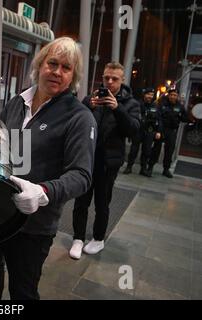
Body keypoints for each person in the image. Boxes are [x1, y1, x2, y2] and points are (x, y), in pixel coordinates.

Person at [0, 37, 97, 300]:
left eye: (66, 68)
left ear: (73, 76)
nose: (57, 72)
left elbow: (81, 176)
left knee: (23, 290)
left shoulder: (79, 116)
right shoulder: (17, 102)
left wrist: (43, 191)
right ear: (39, 65)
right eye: (52, 63)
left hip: (34, 226)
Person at [69, 62, 140, 260]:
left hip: (109, 163)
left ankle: (99, 238)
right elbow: (74, 120)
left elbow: (134, 131)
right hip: (86, 159)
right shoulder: (92, 98)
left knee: (102, 202)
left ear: (122, 80)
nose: (109, 82)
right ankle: (78, 238)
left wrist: (118, 109)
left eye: (114, 78)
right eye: (106, 77)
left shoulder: (131, 103)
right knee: (81, 201)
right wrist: (86, 106)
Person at [147, 88, 188, 178]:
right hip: (161, 129)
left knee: (169, 150)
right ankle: (150, 167)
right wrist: (158, 131)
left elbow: (185, 118)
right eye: (171, 95)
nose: (173, 97)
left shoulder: (180, 106)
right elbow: (158, 117)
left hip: (172, 131)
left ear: (177, 96)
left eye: (175, 95)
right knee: (156, 149)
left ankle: (166, 169)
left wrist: (181, 116)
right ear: (168, 96)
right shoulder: (162, 104)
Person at [123, 88, 159, 175]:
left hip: (149, 131)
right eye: (148, 94)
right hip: (138, 130)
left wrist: (158, 131)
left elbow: (158, 119)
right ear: (144, 95)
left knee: (147, 151)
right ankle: (129, 167)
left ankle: (143, 169)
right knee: (133, 150)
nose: (150, 96)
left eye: (151, 95)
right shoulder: (138, 104)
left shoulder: (155, 106)